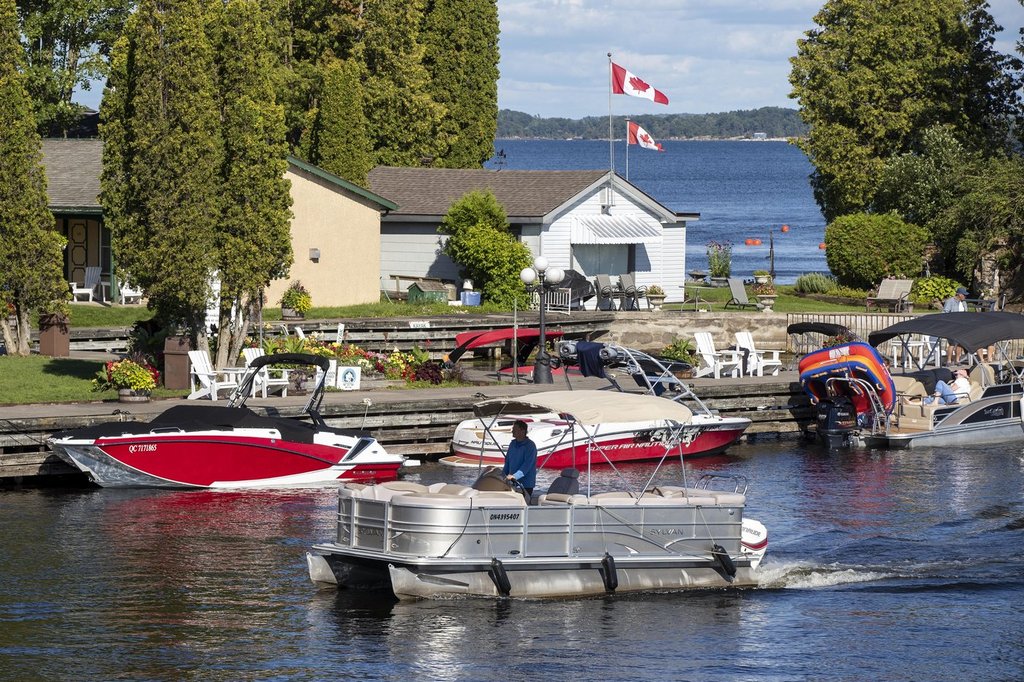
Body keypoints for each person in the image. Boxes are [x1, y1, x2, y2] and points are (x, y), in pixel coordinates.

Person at [503, 420, 537, 497]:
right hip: (511, 482)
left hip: (525, 485)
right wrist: (502, 475)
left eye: (514, 429)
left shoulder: (530, 446)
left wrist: (515, 476)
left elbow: (527, 465)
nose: (512, 431)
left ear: (522, 431)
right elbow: (507, 462)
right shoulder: (512, 444)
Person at [943, 287, 969, 364]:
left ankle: (957, 360)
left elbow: (966, 313)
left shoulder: (964, 302)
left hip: (962, 326)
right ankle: (949, 360)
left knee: (960, 343)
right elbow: (945, 312)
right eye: (964, 295)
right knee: (952, 343)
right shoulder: (950, 301)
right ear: (959, 294)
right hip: (952, 325)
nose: (965, 296)